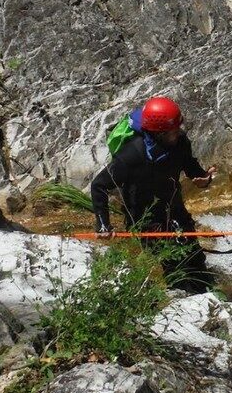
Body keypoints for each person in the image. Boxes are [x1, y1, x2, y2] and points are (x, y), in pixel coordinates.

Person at [90, 96, 217, 293]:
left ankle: (207, 292)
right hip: (144, 217)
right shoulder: (132, 154)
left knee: (194, 256)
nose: (178, 133)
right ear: (158, 133)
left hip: (174, 207)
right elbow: (99, 185)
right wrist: (103, 224)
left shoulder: (180, 141)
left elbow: (189, 164)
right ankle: (184, 301)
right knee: (173, 261)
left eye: (177, 128)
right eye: (173, 131)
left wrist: (203, 179)